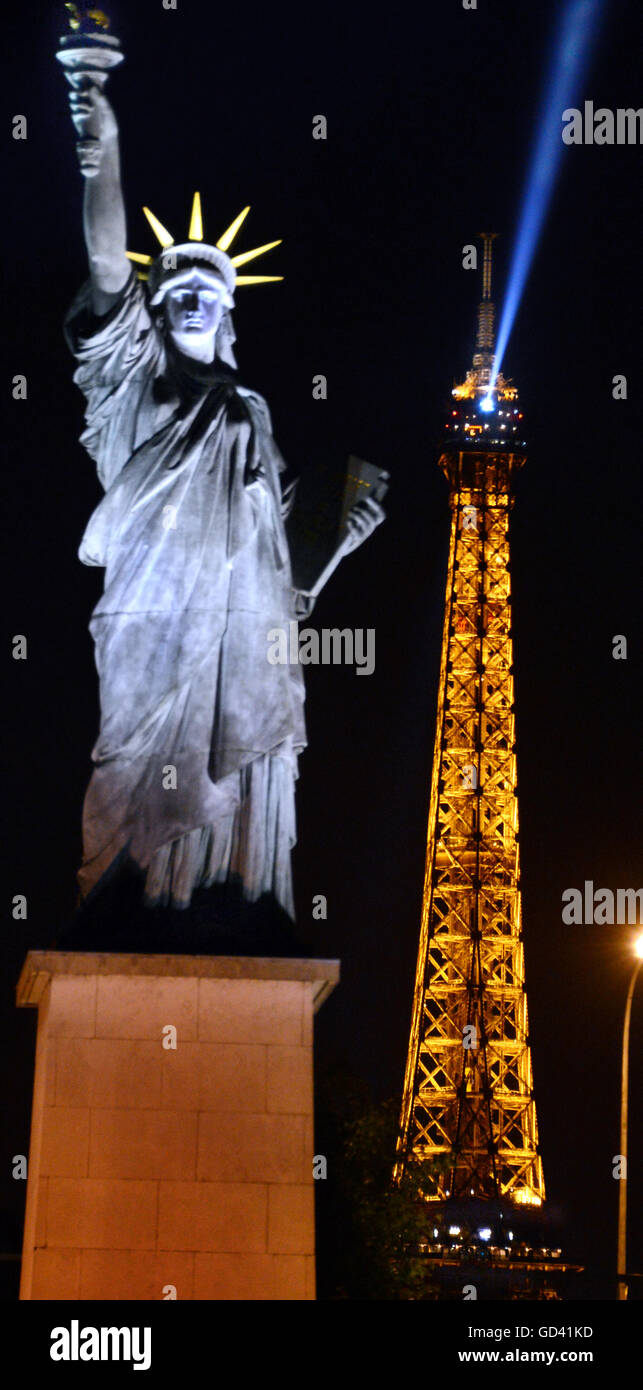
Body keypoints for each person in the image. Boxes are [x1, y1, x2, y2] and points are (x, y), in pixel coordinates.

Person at [63, 85, 384, 944]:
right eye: (175, 284)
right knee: (133, 750)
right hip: (152, 616)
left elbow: (276, 554)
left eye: (211, 284)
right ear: (155, 303)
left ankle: (225, 893)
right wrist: (106, 144)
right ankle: (138, 893)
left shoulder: (251, 409)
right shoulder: (132, 380)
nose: (193, 295)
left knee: (243, 757)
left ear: (230, 305)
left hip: (244, 634)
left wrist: (335, 543)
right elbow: (104, 269)